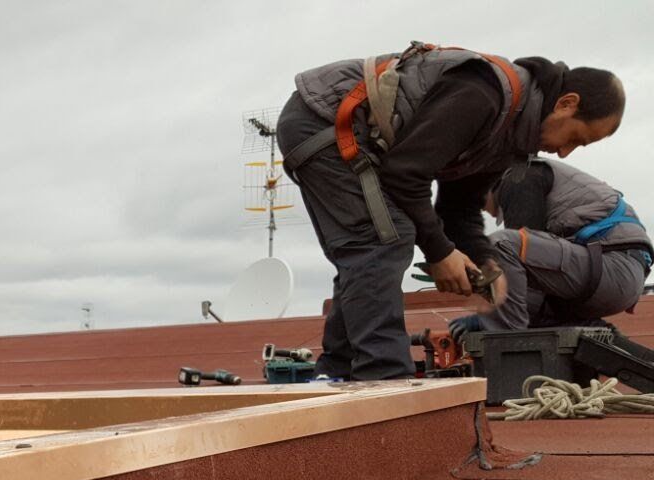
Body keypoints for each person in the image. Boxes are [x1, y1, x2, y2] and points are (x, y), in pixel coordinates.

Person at [275, 43, 624, 380]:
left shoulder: (509, 136)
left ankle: (339, 369)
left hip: (344, 130)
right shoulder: (484, 94)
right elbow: (404, 174)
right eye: (576, 138)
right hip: (324, 118)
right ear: (566, 104)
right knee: (383, 239)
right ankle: (384, 377)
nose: (564, 153)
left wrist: (487, 266)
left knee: (375, 242)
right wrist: (440, 253)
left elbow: (458, 210)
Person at [451, 158, 652, 338]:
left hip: (613, 268)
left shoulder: (519, 177)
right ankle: (581, 326)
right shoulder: (531, 176)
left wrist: (489, 318)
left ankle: (507, 347)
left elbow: (521, 266)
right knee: (508, 287)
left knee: (500, 246)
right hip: (610, 276)